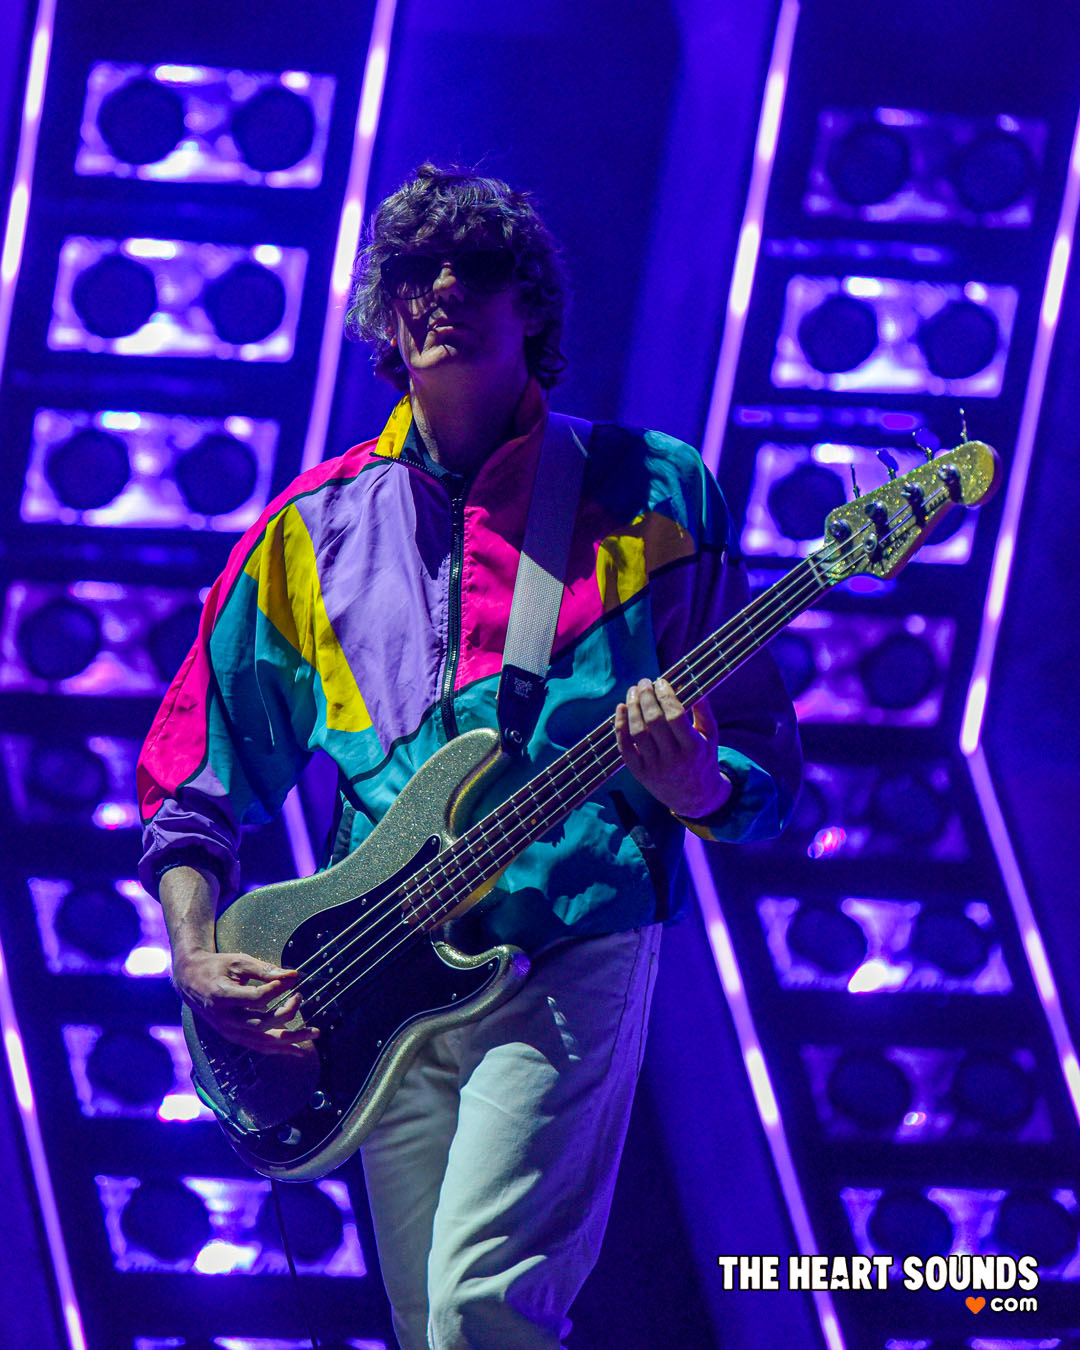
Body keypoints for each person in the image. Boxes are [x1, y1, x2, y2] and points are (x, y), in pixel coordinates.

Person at [137, 163, 801, 1349]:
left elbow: (760, 758)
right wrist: (193, 956)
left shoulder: (653, 490)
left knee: (484, 1306)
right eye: (413, 270)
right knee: (428, 1329)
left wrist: (697, 784)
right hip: (366, 985)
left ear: (529, 302)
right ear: (382, 312)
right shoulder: (306, 534)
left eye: (478, 266)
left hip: (569, 940)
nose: (444, 288)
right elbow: (196, 775)